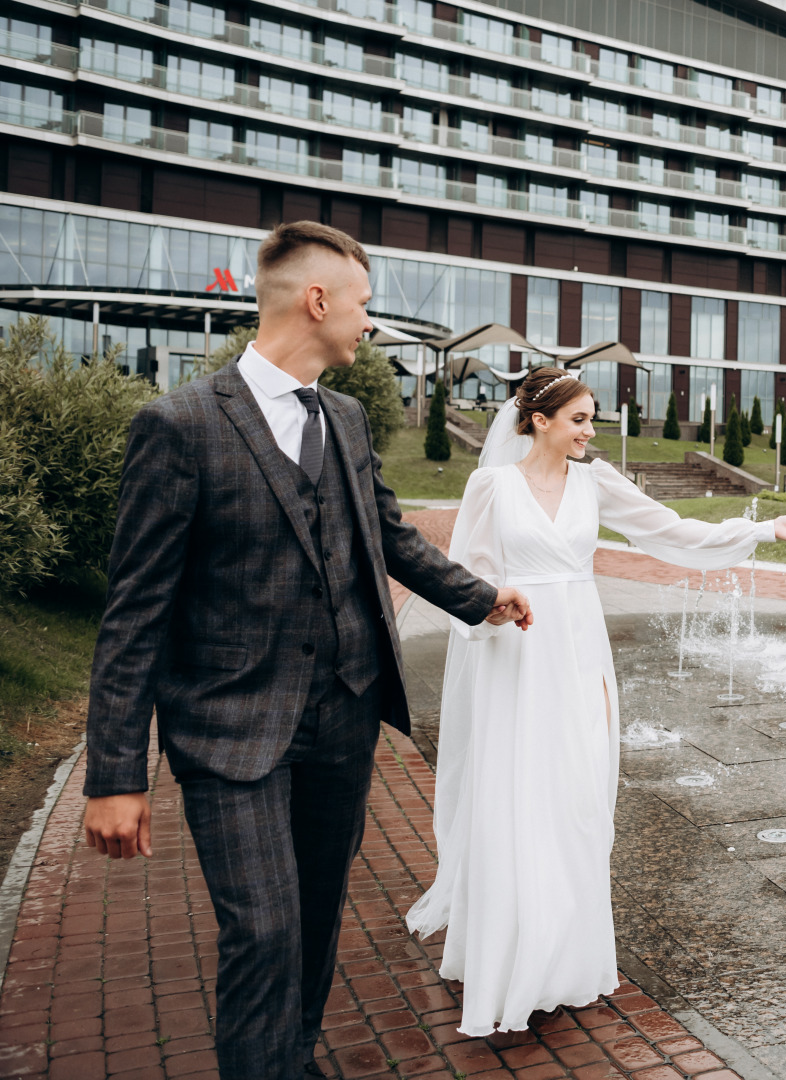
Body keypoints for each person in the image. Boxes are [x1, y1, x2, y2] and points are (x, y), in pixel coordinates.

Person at [83, 221, 534, 1079]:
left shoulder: (350, 420)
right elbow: (134, 613)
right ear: (317, 300)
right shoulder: (178, 426)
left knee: (317, 917)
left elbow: (389, 538)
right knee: (264, 926)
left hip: (342, 720)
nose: (369, 324)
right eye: (363, 305)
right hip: (230, 731)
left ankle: (285, 1058)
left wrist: (482, 600)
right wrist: (114, 775)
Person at [406, 369, 786, 1035]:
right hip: (516, 659)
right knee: (518, 798)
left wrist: (763, 530)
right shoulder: (490, 486)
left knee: (576, 802)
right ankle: (512, 957)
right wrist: (490, 611)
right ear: (540, 421)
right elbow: (468, 577)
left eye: (591, 418)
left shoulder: (595, 482)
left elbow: (671, 531)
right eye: (578, 419)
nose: (588, 431)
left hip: (580, 656)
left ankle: (566, 961)